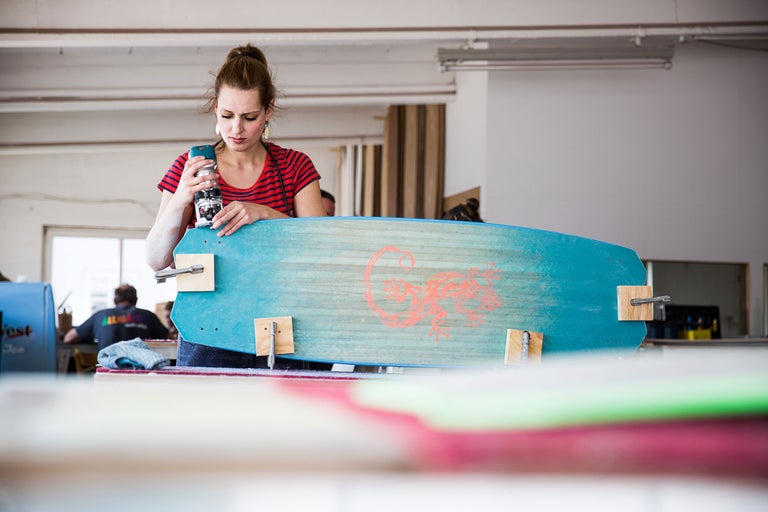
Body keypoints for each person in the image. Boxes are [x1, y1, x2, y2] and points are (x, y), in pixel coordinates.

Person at [146, 43, 327, 369]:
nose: (236, 129)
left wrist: (266, 215)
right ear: (215, 108)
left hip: (279, 324)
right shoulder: (190, 167)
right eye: (227, 116)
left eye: (250, 117)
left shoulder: (294, 168)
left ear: (268, 111)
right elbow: (157, 259)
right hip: (207, 328)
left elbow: (320, 253)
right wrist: (180, 200)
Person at [63, 284, 169, 351]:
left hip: (107, 373)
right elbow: (170, 339)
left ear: (114, 301)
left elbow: (69, 338)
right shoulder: (148, 316)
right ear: (136, 300)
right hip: (139, 373)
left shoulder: (101, 315)